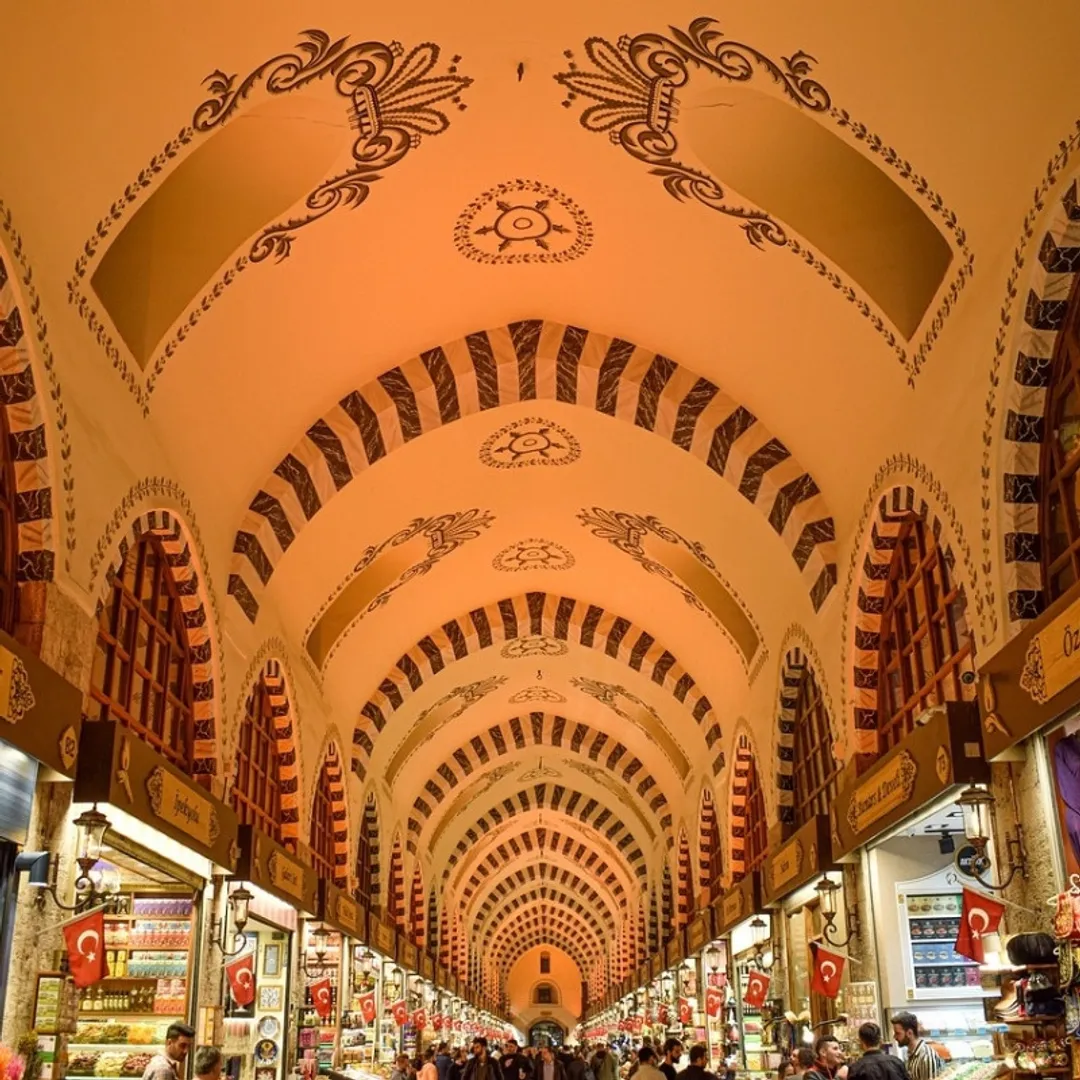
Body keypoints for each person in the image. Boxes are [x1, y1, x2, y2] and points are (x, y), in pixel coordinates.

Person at [891, 1012, 942, 1080]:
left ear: (909, 1033)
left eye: (897, 1033)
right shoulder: (909, 1053)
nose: (895, 1037)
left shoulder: (926, 1056)